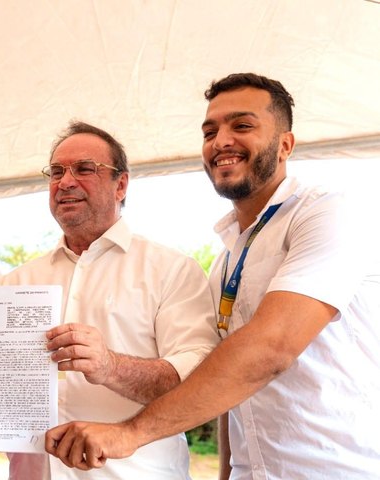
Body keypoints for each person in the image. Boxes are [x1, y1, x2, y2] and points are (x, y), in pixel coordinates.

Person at [44, 74, 380, 478]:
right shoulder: (226, 259)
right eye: (210, 131)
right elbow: (225, 382)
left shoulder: (327, 214)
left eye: (242, 125)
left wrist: (130, 433)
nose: (221, 141)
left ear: (285, 145)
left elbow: (271, 349)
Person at [0, 121, 219, 479]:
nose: (65, 181)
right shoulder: (13, 284)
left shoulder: (172, 270)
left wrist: (110, 366)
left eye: (85, 169)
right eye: (56, 172)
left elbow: (199, 380)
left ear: (121, 184)